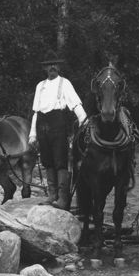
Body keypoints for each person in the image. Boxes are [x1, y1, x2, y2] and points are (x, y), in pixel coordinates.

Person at [27, 53, 87, 210]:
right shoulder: (40, 86)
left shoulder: (64, 83)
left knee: (60, 161)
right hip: (42, 124)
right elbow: (36, 111)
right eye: (49, 65)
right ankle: (52, 195)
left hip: (58, 124)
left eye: (55, 65)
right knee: (47, 160)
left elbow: (75, 104)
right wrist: (32, 134)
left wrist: (84, 121)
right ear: (45, 68)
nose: (52, 68)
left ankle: (62, 198)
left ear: (59, 67)